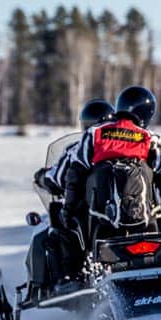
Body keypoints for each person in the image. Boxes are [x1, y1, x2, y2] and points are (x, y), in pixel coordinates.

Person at [61, 86, 161, 275]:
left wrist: (68, 210)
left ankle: (80, 275)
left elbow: (75, 173)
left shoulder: (95, 134)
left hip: (103, 222)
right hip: (143, 221)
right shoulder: (149, 139)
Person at [29, 99, 116, 291]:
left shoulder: (79, 148)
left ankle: (71, 276)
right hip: (122, 218)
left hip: (89, 219)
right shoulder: (126, 149)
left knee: (58, 212)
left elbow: (57, 178)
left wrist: (42, 177)